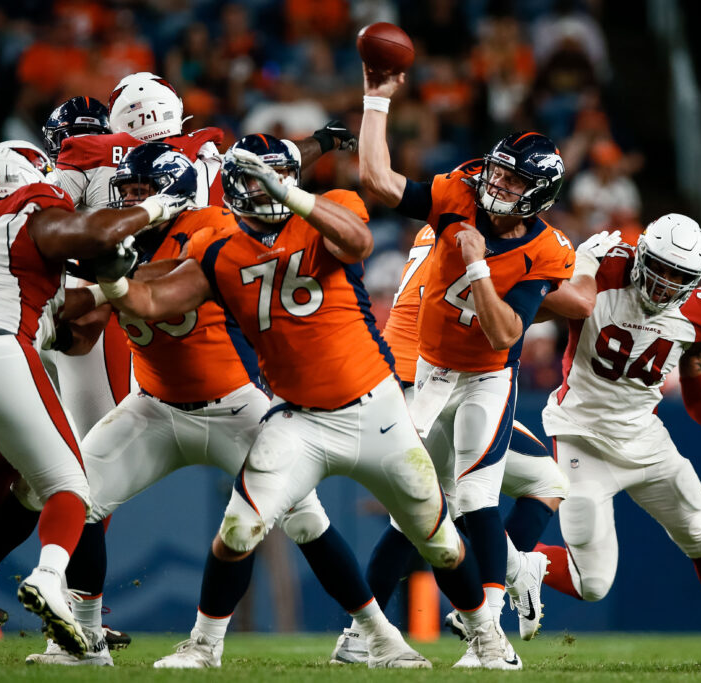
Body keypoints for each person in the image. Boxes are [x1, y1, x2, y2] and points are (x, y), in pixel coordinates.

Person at [98, 134, 521, 670]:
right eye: (254, 179)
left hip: (376, 411)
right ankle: (203, 647)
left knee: (437, 540)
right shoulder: (219, 248)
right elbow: (154, 300)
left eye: (274, 177)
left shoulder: (332, 207)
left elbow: (357, 242)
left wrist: (294, 197)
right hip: (299, 421)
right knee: (237, 530)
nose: (264, 189)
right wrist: (113, 279)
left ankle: (488, 639)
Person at [359, 65, 576, 665]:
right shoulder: (456, 193)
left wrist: (478, 267)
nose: (498, 183)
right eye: (499, 170)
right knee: (413, 503)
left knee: (476, 498)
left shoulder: (547, 250)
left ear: (539, 194)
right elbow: (378, 179)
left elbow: (507, 333)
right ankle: (366, 633)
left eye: (513, 179)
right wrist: (376, 100)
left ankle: (489, 633)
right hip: (427, 372)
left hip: (486, 378)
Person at [0, 140, 192, 656]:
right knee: (70, 487)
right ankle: (48, 576)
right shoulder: (30, 214)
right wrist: (156, 206)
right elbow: (95, 231)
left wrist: (108, 285)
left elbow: (67, 321)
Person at [535, 214, 701, 666]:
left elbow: (700, 397)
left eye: (679, 277)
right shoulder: (601, 271)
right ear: (640, 254)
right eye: (659, 268)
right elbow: (531, 311)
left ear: (695, 280)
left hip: (645, 438)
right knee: (592, 583)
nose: (664, 285)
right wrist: (578, 269)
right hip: (581, 433)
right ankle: (502, 559)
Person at [330, 223, 572, 665]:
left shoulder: (437, 227)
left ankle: (361, 635)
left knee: (423, 515)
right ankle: (505, 593)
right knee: (492, 494)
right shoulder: (480, 241)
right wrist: (543, 284)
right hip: (430, 382)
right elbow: (575, 303)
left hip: (406, 381)